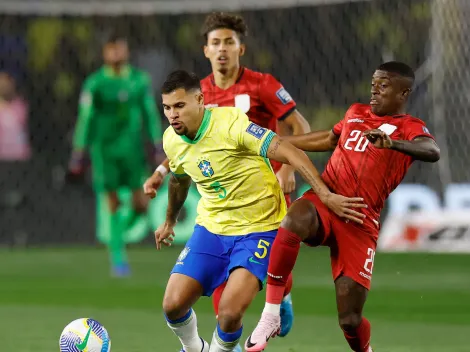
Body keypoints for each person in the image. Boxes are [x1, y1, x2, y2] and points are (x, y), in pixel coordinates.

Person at [143, 69, 365, 352]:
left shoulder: (231, 125)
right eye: (167, 108)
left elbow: (288, 150)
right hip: (212, 229)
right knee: (172, 306)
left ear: (199, 100)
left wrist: (325, 194)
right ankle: (194, 348)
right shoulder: (172, 140)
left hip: (258, 228)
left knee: (229, 314)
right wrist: (169, 221)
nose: (172, 114)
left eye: (179, 106)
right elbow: (179, 180)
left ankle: (277, 300)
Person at [245, 61, 441, 352]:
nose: (374, 90)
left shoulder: (408, 127)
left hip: (360, 219)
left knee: (349, 319)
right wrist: (279, 141)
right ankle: (270, 314)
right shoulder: (355, 113)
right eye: (374, 83)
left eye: (384, 85)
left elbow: (432, 150)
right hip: (327, 199)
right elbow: (328, 138)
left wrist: (393, 144)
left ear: (403, 93)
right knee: (294, 219)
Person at [150, 12, 311, 342]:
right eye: (215, 43)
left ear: (241, 49)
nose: (222, 49)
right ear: (205, 50)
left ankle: (281, 298)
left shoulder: (262, 85)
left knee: (276, 263)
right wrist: (160, 171)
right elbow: (186, 147)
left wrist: (288, 169)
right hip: (222, 205)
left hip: (266, 185)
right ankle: (225, 343)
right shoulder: (197, 93)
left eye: (229, 42)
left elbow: (300, 127)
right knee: (223, 297)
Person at [68, 33, 162, 277]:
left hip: (132, 151)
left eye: (120, 48)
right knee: (112, 203)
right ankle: (118, 258)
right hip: (105, 151)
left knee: (141, 204)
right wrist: (79, 150)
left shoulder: (139, 81)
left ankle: (117, 238)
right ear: (105, 53)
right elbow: (86, 118)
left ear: (127, 50)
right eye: (112, 49)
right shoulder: (96, 83)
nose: (116, 53)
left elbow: (149, 113)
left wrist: (156, 142)